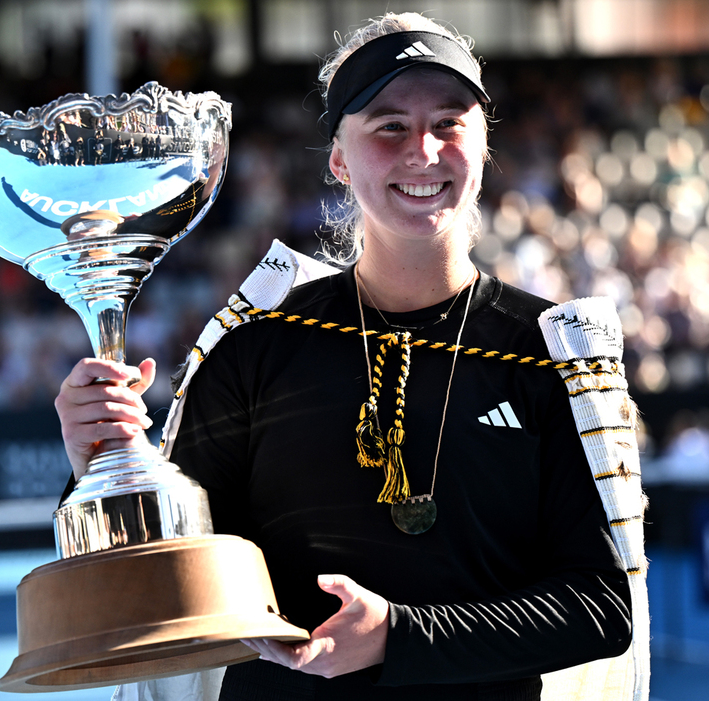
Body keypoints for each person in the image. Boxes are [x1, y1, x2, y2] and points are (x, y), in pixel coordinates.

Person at [56, 12, 637, 701]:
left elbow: (601, 608)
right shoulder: (255, 348)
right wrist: (99, 465)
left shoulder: (545, 352)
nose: (422, 150)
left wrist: (402, 635)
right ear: (338, 156)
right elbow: (155, 586)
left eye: (449, 123)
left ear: (484, 148)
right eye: (388, 126)